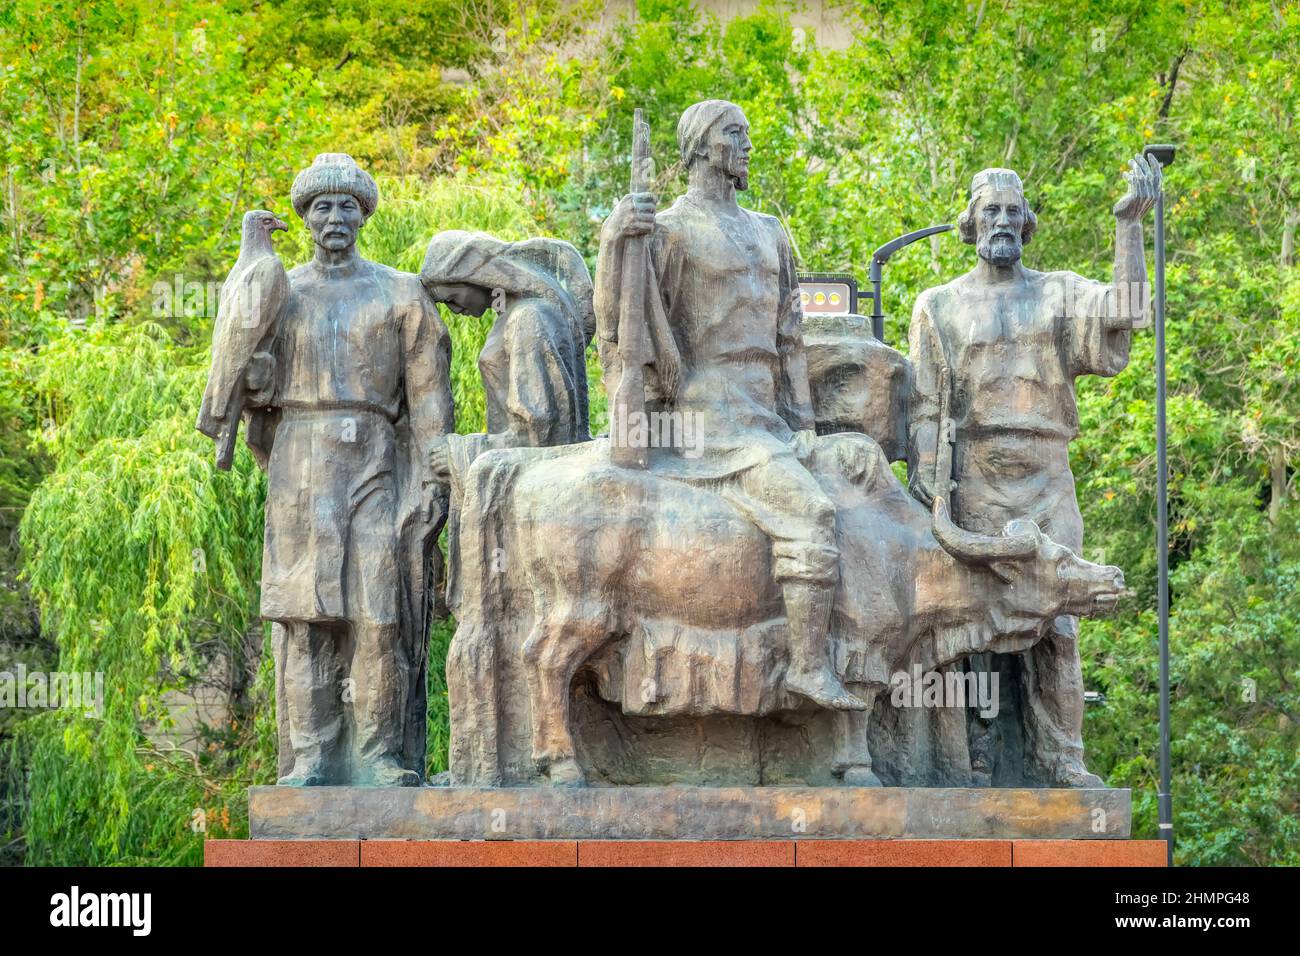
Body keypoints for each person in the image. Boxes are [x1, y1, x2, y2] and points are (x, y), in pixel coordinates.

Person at [595, 99, 863, 712]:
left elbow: (790, 334)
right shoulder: (667, 229)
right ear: (700, 148)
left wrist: (806, 423)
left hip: (766, 415)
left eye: (745, 134)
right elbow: (617, 319)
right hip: (709, 419)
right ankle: (807, 668)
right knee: (814, 514)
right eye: (734, 135)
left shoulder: (771, 230)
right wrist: (616, 238)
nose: (746, 145)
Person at [907, 157, 1160, 786]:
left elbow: (1128, 312)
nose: (1002, 221)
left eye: (1012, 211)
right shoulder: (936, 305)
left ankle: (1062, 758)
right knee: (973, 627)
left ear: (1027, 222)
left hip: (1047, 476)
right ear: (970, 220)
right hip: (976, 478)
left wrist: (1129, 224)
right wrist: (931, 486)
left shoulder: (1060, 292)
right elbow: (923, 406)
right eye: (990, 210)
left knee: (1059, 622)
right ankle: (974, 759)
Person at [246, 153, 455, 786]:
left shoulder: (400, 293)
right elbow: (253, 390)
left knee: (378, 615)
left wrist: (434, 482)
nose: (333, 217)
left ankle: (378, 755)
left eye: (345, 206)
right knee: (308, 623)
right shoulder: (280, 293)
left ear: (363, 214)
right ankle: (310, 759)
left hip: (375, 464)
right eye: (320, 207)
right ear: (304, 217)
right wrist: (256, 387)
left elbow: (429, 400)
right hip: (300, 469)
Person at [420, 231, 594, 448]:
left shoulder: (527, 317)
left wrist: (464, 451)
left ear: (477, 277)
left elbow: (537, 431)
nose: (454, 310)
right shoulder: (510, 315)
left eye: (452, 298)